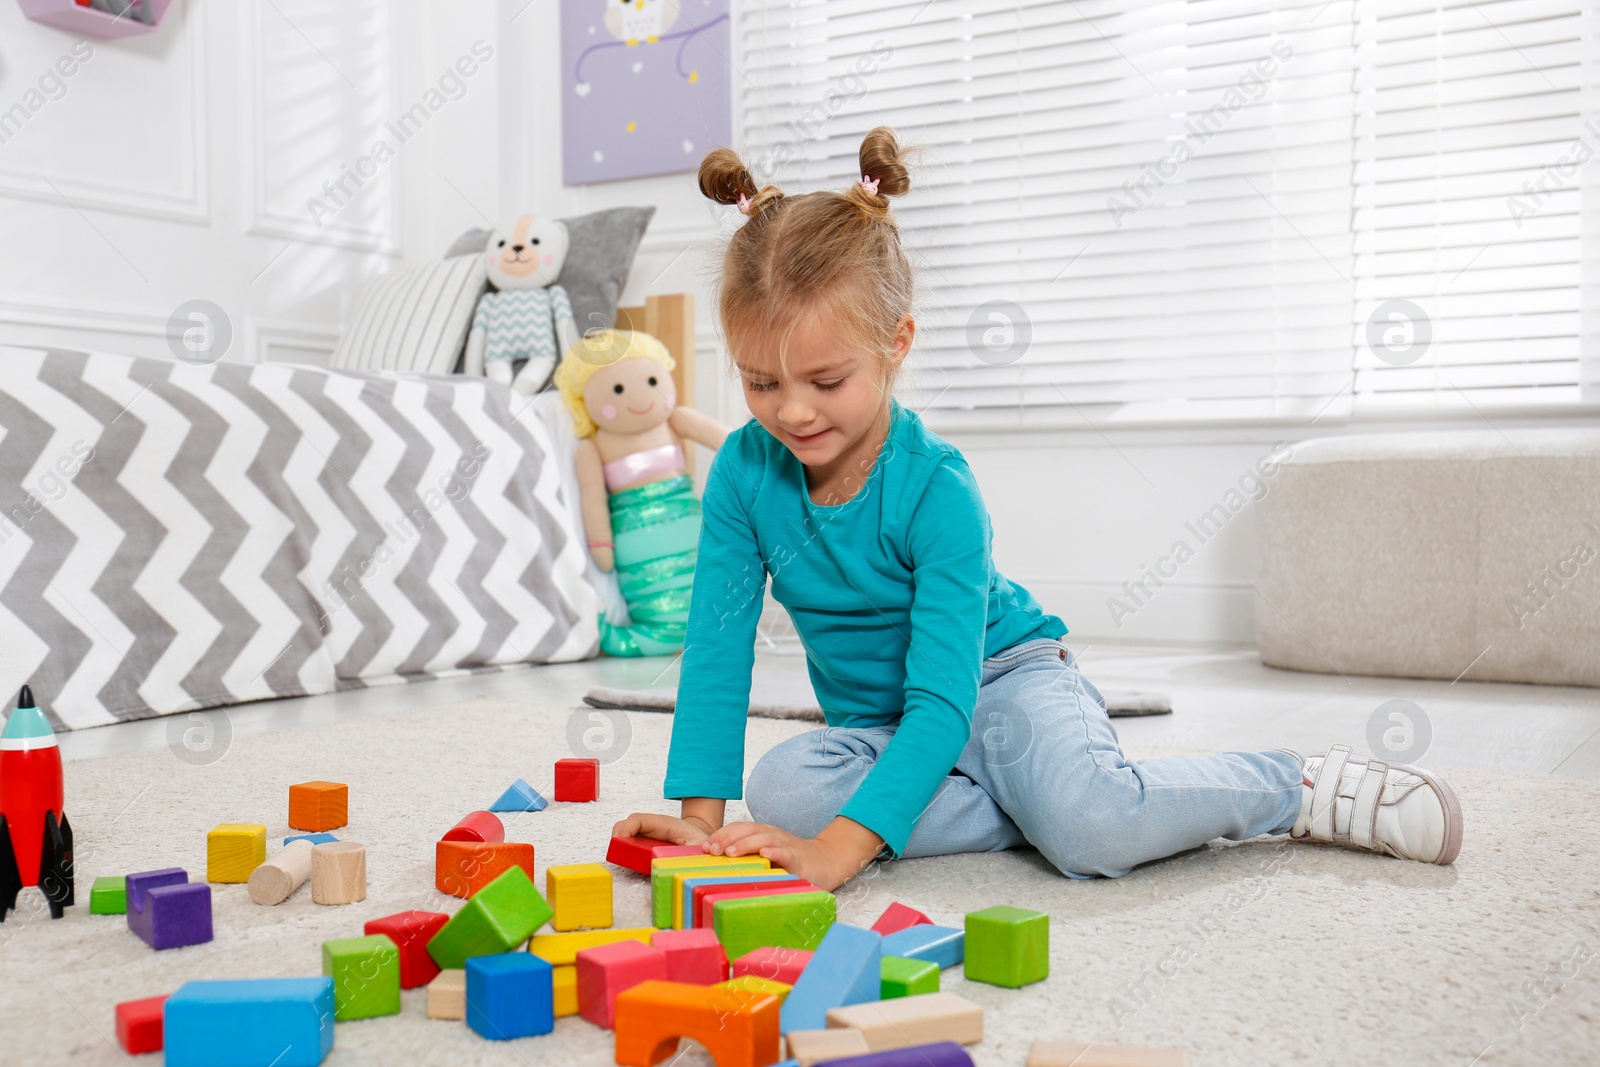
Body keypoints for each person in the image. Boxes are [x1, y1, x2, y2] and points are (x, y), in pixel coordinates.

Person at [612, 126, 1463, 892]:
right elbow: (717, 654)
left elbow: (945, 701)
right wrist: (699, 821)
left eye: (826, 381)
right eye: (762, 382)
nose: (793, 411)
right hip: (885, 724)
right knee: (784, 791)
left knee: (1094, 831)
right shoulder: (740, 473)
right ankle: (1041, 801)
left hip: (1000, 682)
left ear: (895, 343)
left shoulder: (937, 486)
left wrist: (844, 848)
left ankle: (1293, 784)